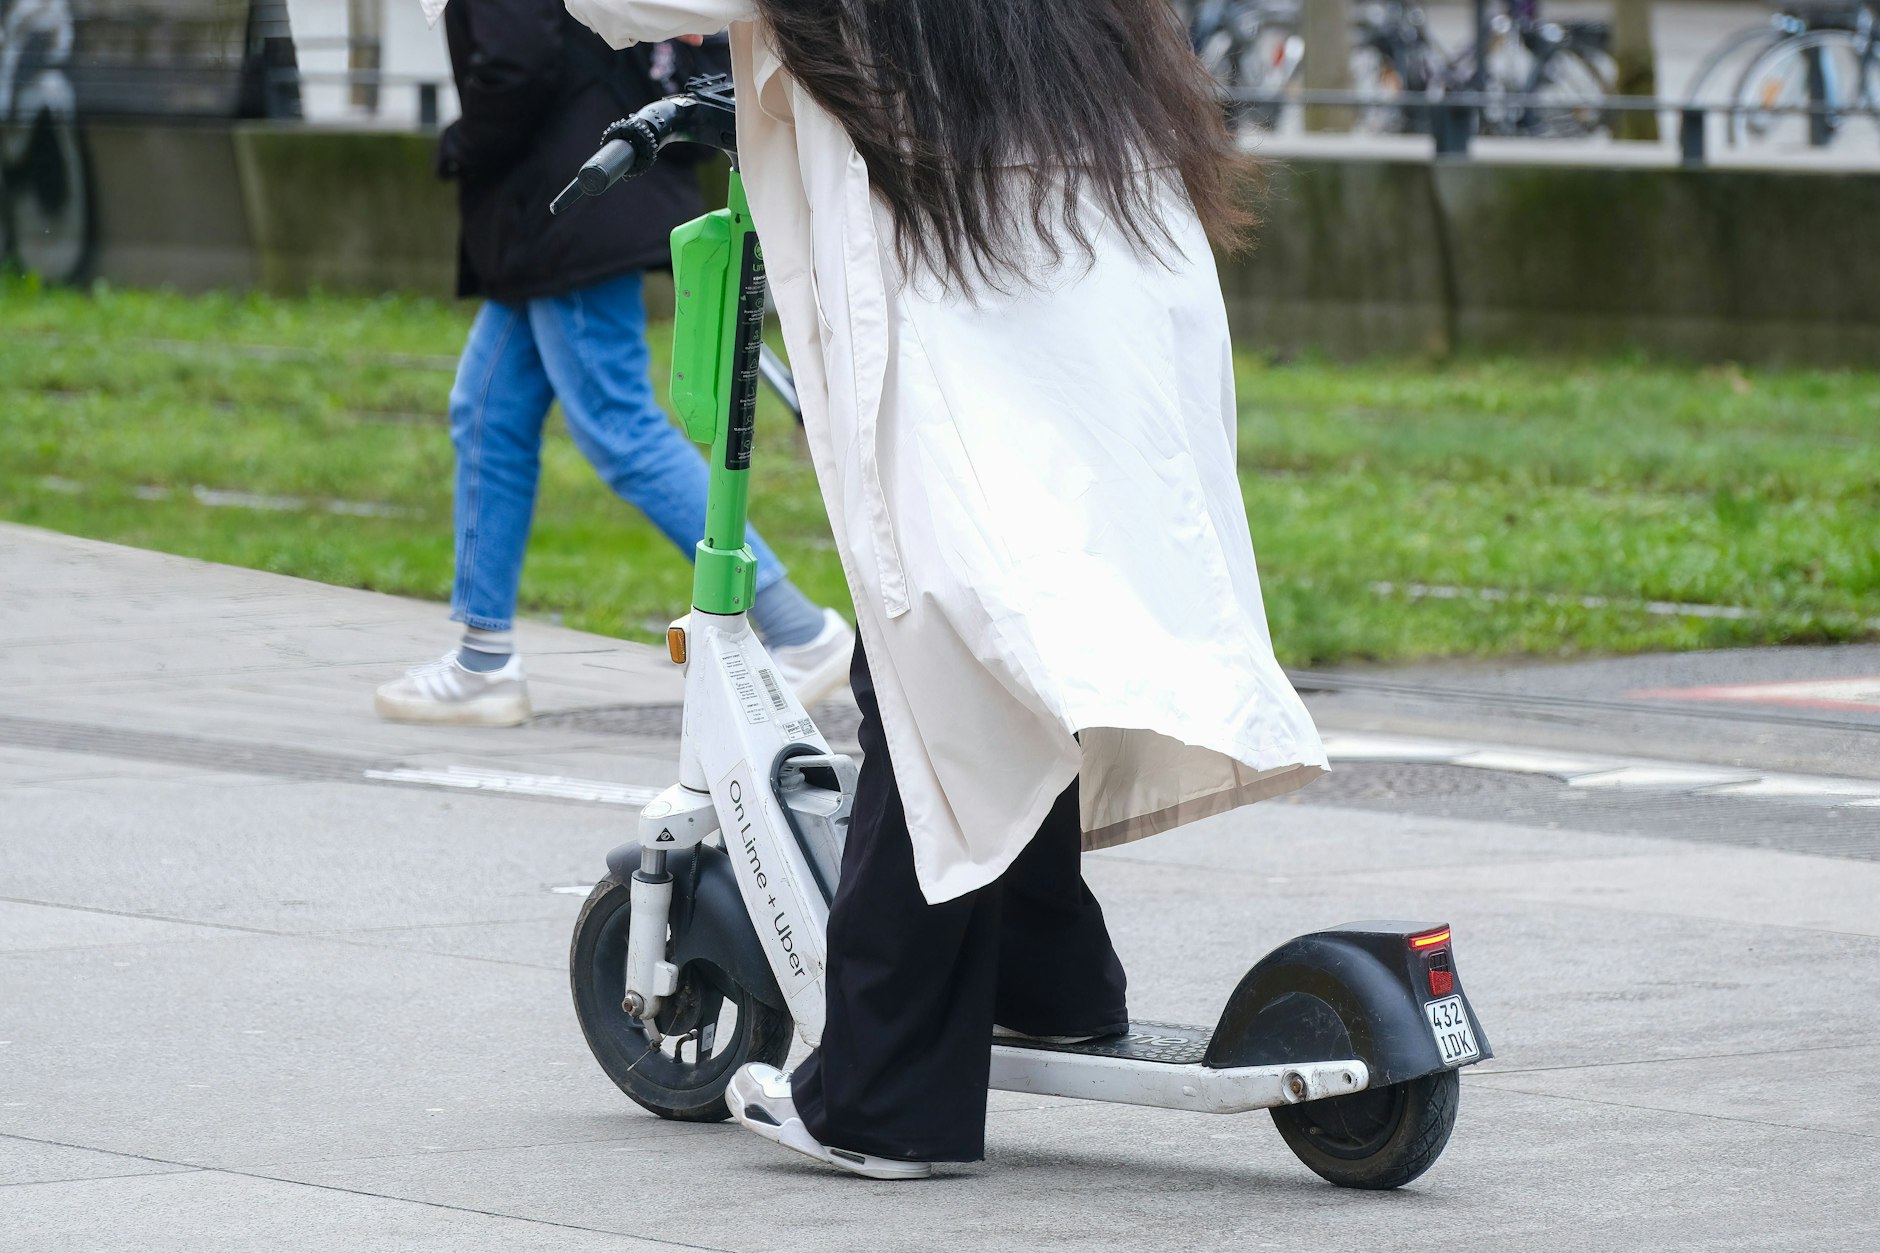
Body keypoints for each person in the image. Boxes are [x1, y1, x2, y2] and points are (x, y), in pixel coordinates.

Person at [560, 0, 1329, 1178]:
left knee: (935, 676)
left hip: (974, 313)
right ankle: (1049, 979)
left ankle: (884, 1102)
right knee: (992, 648)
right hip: (1105, 289)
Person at [375, 0, 853, 728]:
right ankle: (482, 660)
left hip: (569, 201)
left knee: (618, 426)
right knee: (489, 408)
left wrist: (463, 145)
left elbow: (516, 62)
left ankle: (800, 630)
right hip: (559, 206)